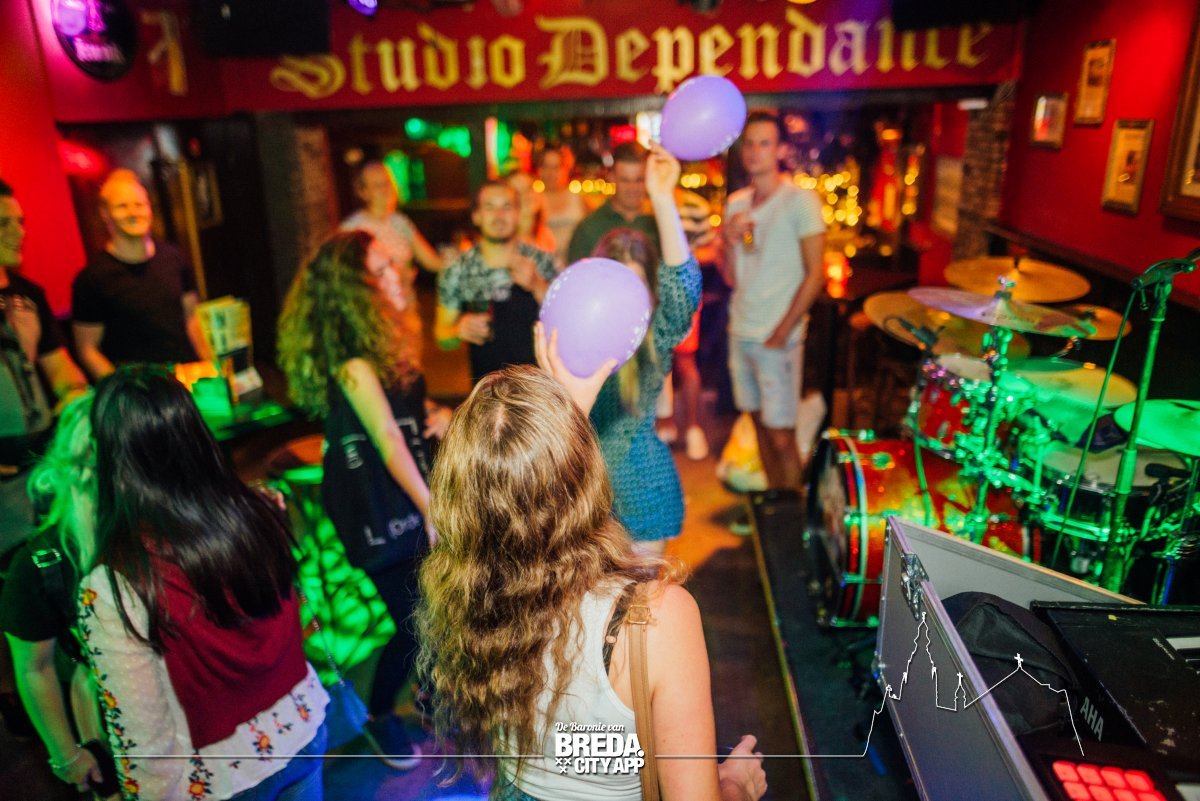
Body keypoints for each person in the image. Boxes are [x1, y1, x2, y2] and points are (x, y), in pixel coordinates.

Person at [415, 365, 767, 801]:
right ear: (589, 475)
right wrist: (736, 784)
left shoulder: (461, 589)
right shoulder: (656, 618)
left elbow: (512, 483)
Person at [78, 365, 328, 800]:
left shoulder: (114, 584)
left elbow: (142, 736)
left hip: (224, 777)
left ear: (108, 456)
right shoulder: (259, 508)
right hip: (302, 729)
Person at [278, 230, 442, 768]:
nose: (397, 274)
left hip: (405, 503)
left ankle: (430, 696)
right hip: (381, 513)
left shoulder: (385, 347)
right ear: (356, 292)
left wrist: (439, 415)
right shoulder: (353, 364)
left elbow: (406, 418)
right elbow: (388, 439)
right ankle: (379, 714)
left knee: (432, 609)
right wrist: (430, 506)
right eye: (381, 269)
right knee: (417, 618)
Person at [583, 145, 700, 555]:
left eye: (636, 285)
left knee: (642, 596)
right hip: (586, 495)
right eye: (616, 283)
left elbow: (684, 289)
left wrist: (663, 198)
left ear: (650, 292)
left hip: (643, 491)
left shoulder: (654, 335)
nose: (626, 298)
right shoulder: (578, 337)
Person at [0, 393, 114, 797]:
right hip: (109, 729)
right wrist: (66, 754)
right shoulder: (40, 563)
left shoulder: (162, 531)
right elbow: (34, 668)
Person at [723, 110, 826, 490]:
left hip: (777, 336)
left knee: (782, 435)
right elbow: (731, 276)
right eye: (749, 143)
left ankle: (794, 512)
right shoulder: (736, 204)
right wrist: (727, 240)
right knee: (758, 426)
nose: (754, 151)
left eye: (764, 143)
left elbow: (816, 274)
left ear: (781, 149)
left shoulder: (800, 201)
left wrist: (783, 331)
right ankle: (773, 503)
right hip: (741, 330)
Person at [0, 178, 89, 557]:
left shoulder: (29, 294)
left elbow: (61, 370)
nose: (18, 233)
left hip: (42, 467)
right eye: (4, 223)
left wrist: (75, 400)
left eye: (19, 222)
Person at [71, 169, 213, 380]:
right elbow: (87, 350)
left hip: (188, 380)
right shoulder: (91, 279)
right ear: (105, 213)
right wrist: (124, 390)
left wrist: (211, 366)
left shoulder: (174, 257)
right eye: (122, 206)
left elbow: (192, 318)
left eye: (139, 204)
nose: (133, 212)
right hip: (139, 388)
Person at [435, 180, 558, 386]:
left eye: (506, 207)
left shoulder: (541, 261)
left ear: (518, 214)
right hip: (487, 392)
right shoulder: (458, 269)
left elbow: (569, 322)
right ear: (476, 216)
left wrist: (537, 285)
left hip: (540, 388)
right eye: (490, 207)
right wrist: (458, 330)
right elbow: (442, 336)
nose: (499, 215)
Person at [340, 160, 444, 316]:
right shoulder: (353, 228)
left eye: (387, 182)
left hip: (406, 308)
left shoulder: (399, 222)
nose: (385, 189)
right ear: (363, 193)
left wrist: (464, 260)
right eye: (377, 185)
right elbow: (345, 277)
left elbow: (431, 261)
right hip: (376, 313)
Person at [567, 142, 659, 264]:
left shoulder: (660, 224)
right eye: (625, 180)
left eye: (639, 180)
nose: (632, 188)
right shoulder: (589, 229)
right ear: (611, 177)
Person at [534, 146, 586, 267]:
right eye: (545, 167)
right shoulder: (533, 201)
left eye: (556, 167)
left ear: (566, 169)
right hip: (543, 267)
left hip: (575, 264)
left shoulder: (578, 199)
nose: (550, 173)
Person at [505, 169, 557, 256]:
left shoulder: (545, 234)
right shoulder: (507, 243)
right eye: (517, 192)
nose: (526, 195)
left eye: (529, 188)